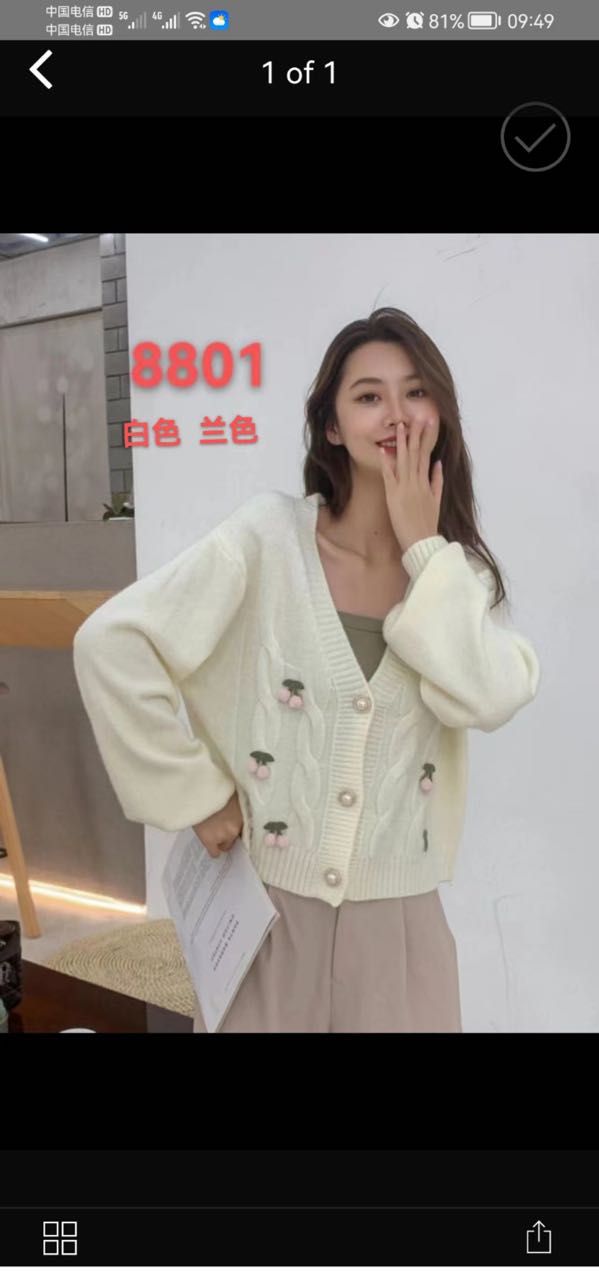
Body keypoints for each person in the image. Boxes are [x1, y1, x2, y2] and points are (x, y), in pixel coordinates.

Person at [73, 307, 541, 1033]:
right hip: (267, 919)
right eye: (368, 395)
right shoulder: (267, 540)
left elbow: (493, 696)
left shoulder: (457, 579)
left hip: (401, 932)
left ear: (440, 415)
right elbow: (113, 643)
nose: (395, 413)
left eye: (415, 391)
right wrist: (195, 794)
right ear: (331, 426)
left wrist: (424, 550)